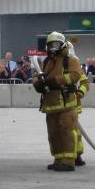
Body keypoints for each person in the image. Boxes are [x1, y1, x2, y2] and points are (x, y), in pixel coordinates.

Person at [32, 31, 84, 172]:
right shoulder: (47, 61)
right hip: (50, 105)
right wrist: (38, 84)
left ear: (62, 45)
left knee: (66, 131)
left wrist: (54, 81)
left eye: (55, 44)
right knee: (54, 133)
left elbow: (75, 75)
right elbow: (37, 75)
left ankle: (68, 161)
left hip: (65, 104)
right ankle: (59, 159)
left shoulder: (70, 59)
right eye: (50, 45)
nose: (52, 48)